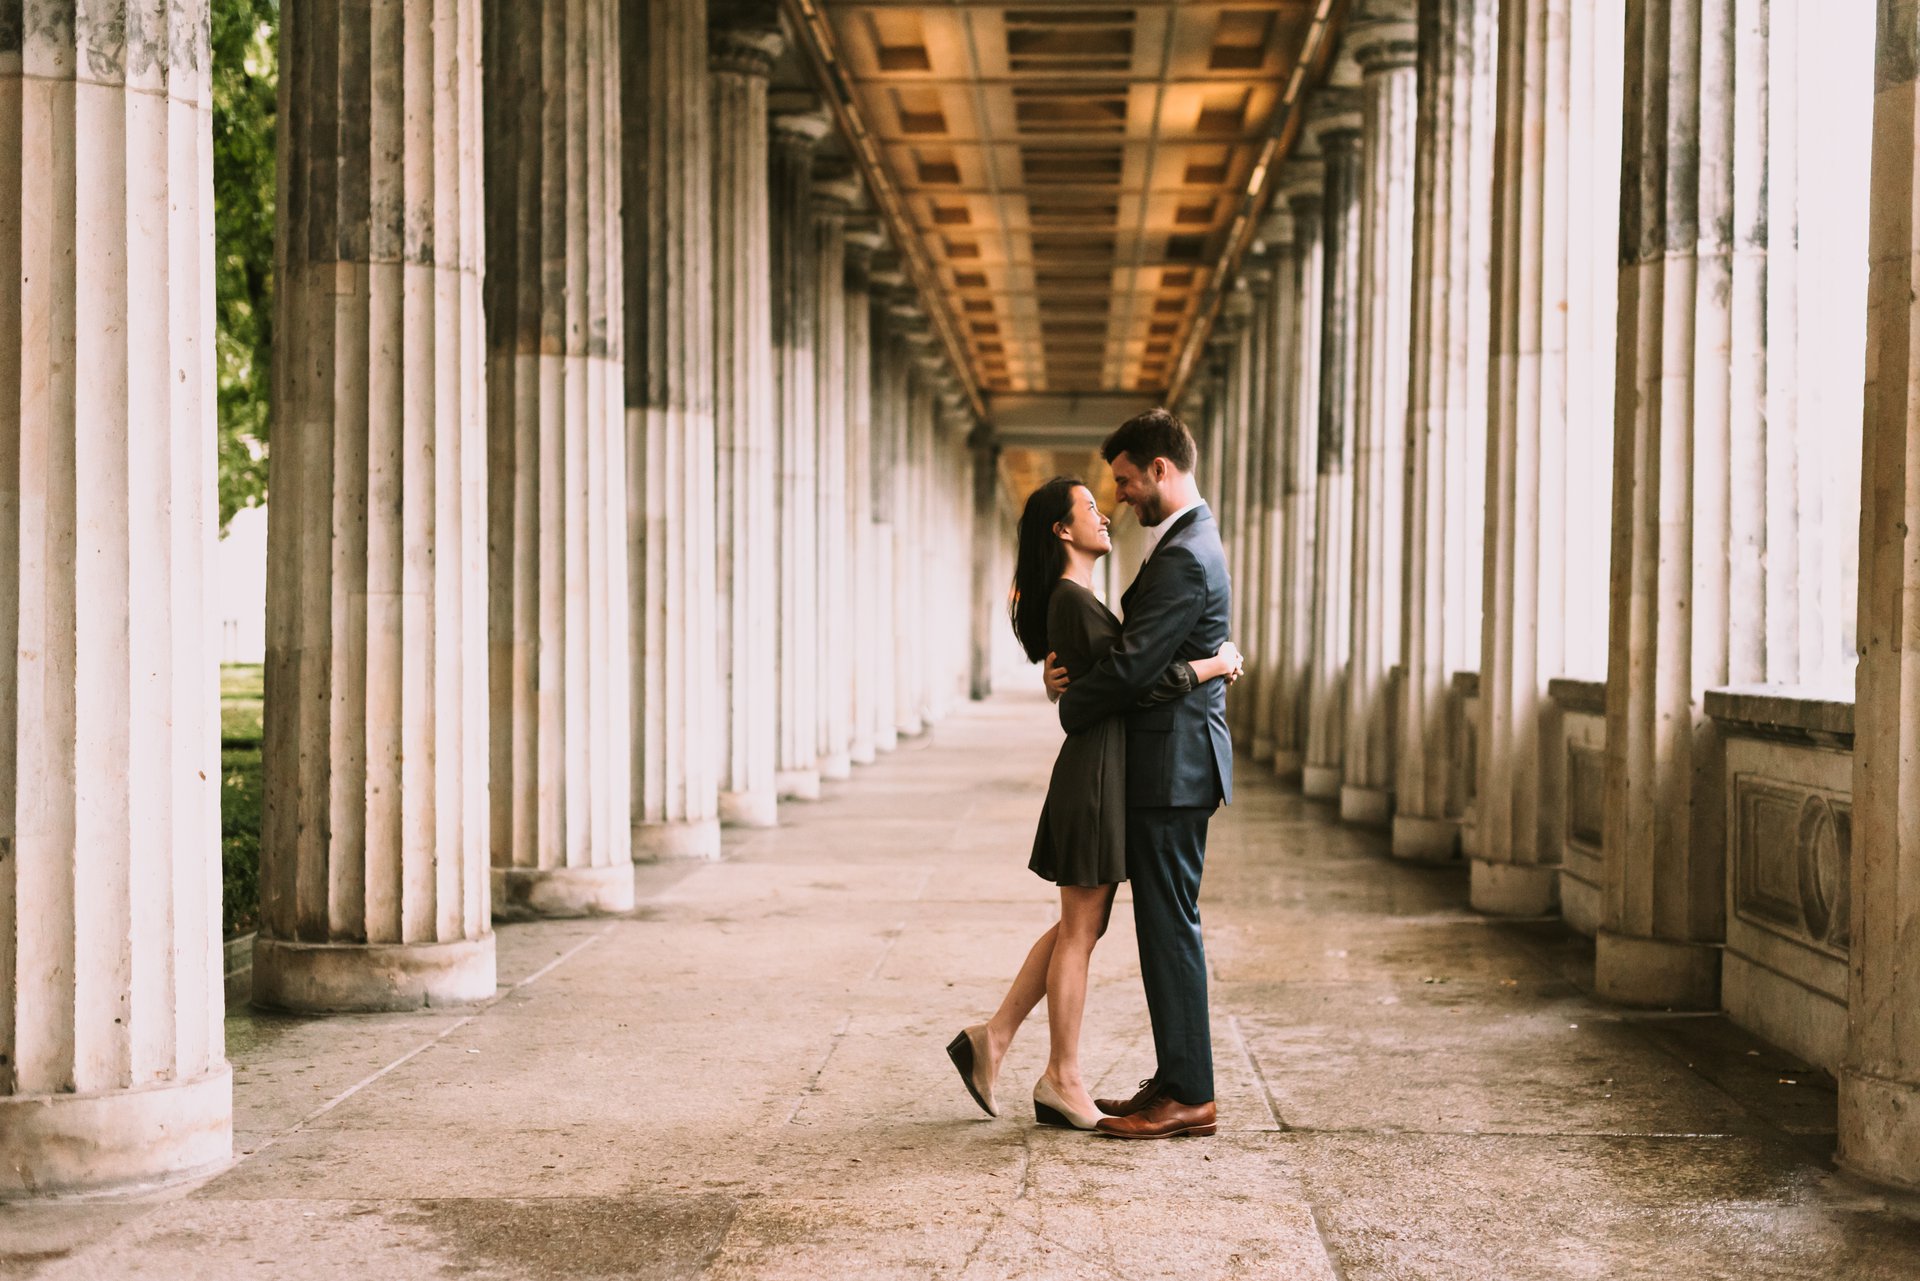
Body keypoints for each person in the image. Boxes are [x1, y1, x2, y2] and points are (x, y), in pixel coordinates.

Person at [946, 476, 1241, 1131]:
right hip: (1094, 775)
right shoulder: (1072, 601)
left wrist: (1074, 692)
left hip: (1101, 769)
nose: (1104, 512)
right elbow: (1133, 683)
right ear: (1061, 528)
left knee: (1080, 924)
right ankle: (1062, 1076)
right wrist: (1211, 665)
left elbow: (1105, 680)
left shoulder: (1075, 599)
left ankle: (991, 1039)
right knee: (1081, 929)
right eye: (1089, 507)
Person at [1045, 408, 1231, 1140]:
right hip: (1173, 763)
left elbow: (1131, 668)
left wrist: (1070, 704)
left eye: (1123, 479)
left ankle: (1188, 1091)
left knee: (1169, 928)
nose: (1118, 494)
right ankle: (1178, 1075)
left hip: (1173, 769)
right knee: (1163, 925)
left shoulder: (1185, 553)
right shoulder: (1187, 540)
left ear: (1160, 468)